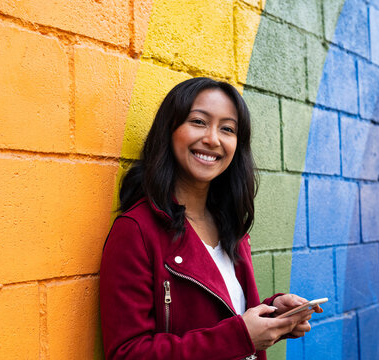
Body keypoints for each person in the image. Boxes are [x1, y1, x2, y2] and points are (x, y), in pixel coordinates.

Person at [99, 77, 322, 360]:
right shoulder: (136, 231)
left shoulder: (232, 227)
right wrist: (241, 336)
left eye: (227, 129)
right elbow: (127, 354)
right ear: (170, 130)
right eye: (198, 122)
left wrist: (274, 312)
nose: (213, 139)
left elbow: (222, 317)